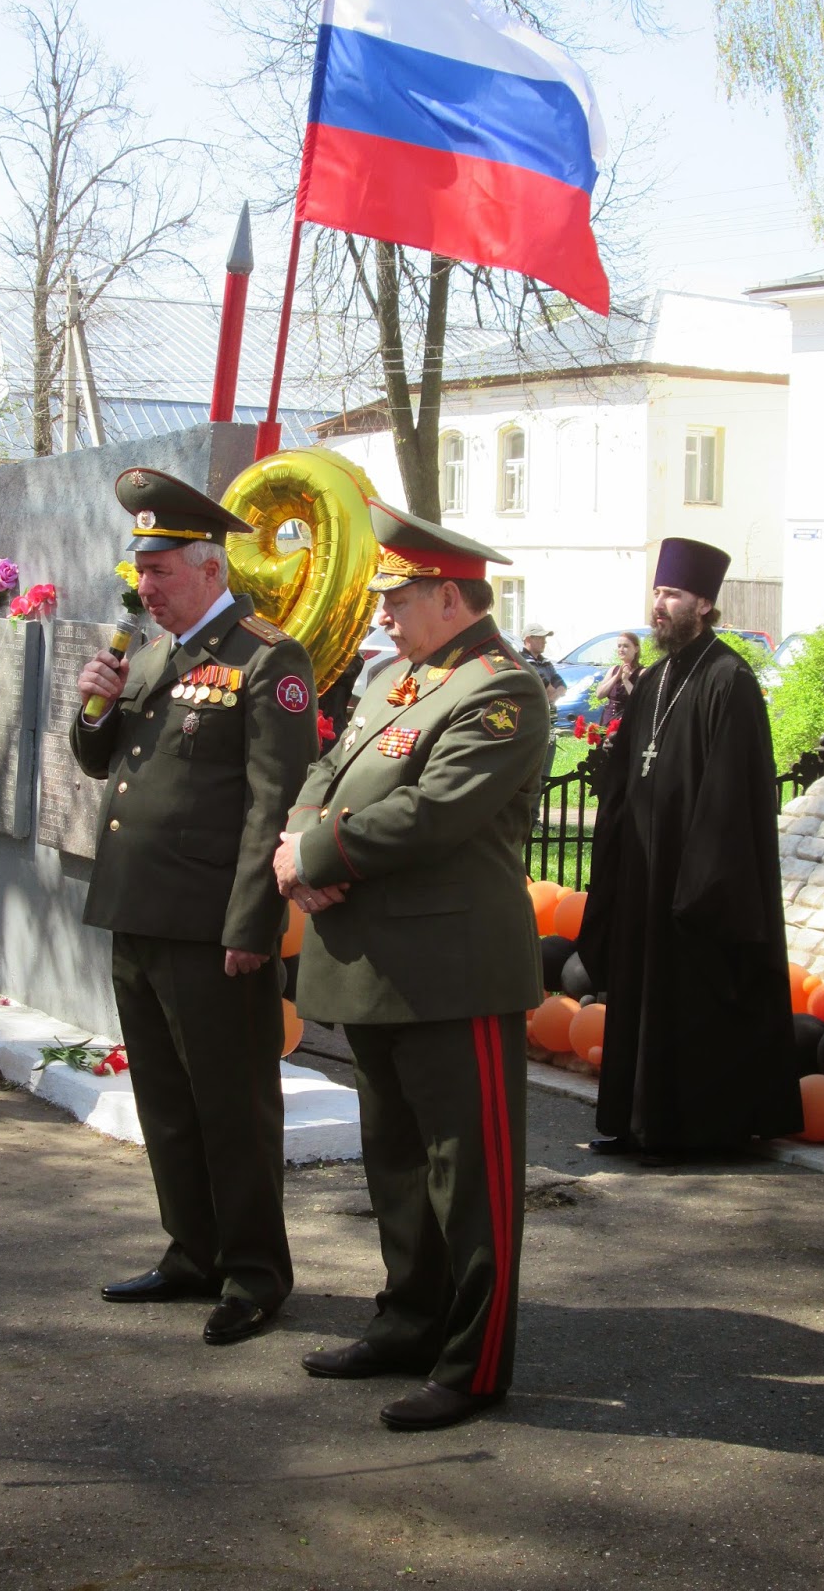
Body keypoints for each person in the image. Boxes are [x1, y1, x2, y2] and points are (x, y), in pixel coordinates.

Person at [274, 502, 549, 1432]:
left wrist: (315, 857)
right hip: (374, 963)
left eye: (397, 599)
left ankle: (475, 1365)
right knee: (396, 1164)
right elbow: (328, 770)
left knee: (470, 1180)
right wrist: (296, 840)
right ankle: (408, 1322)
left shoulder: (501, 691)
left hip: (451, 971)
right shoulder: (395, 677)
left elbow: (434, 813)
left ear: (449, 597)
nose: (383, 615)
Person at [71, 467, 318, 1348]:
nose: (145, 586)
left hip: (212, 927)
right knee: (167, 1103)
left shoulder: (266, 658)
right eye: (141, 569)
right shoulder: (151, 657)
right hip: (137, 911)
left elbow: (274, 804)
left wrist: (252, 924)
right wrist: (94, 706)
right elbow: (103, 763)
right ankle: (192, 1251)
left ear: (210, 567)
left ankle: (254, 1274)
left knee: (231, 1106)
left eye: (160, 569)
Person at [576, 537, 802, 1159]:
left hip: (694, 880)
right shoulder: (655, 678)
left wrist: (701, 882)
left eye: (672, 594)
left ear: (703, 604)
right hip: (644, 871)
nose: (660, 604)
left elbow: (732, 794)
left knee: (688, 1000)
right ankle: (635, 1123)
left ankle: (692, 1132)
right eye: (657, 592)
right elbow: (630, 769)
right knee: (639, 996)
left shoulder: (730, 680)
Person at [519, 621, 565, 788]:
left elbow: (561, 686)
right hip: (532, 724)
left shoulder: (545, 662)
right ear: (528, 639)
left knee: (545, 774)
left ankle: (538, 804)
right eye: (540, 638)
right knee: (531, 774)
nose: (544, 641)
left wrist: (554, 693)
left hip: (549, 723)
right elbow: (545, 688)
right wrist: (552, 692)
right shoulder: (522, 661)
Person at [594, 631, 643, 727]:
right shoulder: (613, 670)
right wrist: (616, 677)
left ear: (636, 649)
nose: (621, 649)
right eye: (619, 646)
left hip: (628, 721)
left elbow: (639, 700)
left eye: (626, 646)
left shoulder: (641, 672)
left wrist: (626, 680)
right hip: (608, 721)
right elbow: (599, 695)